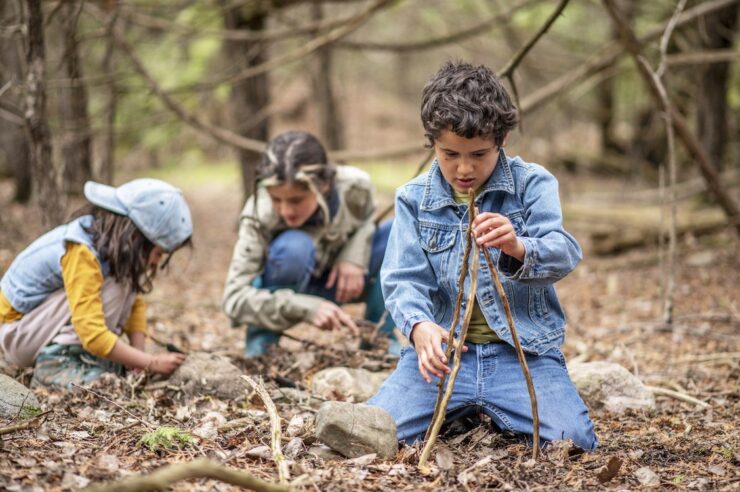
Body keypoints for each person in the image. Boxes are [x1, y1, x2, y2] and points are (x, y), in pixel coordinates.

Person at [367, 62, 597, 450]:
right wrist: (419, 326)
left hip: (522, 354)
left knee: (573, 441)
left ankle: (485, 407)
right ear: (431, 142)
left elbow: (564, 252)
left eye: (478, 154)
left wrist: (518, 247)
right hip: (444, 360)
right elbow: (402, 279)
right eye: (449, 153)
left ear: (502, 139)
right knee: (375, 433)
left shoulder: (532, 184)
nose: (464, 168)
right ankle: (463, 410)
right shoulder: (413, 198)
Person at [0, 178, 192, 387]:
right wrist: (151, 362)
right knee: (116, 285)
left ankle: (83, 357)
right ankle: (57, 364)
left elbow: (134, 303)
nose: (157, 261)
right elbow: (91, 331)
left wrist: (139, 359)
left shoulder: (107, 248)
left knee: (124, 280)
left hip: (36, 327)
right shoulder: (82, 251)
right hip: (16, 333)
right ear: (137, 239)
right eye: (158, 253)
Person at [222, 131, 397, 357]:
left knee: (396, 232)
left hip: (339, 280)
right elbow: (233, 299)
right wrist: (306, 307)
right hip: (288, 287)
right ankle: (262, 342)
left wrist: (353, 256)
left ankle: (379, 339)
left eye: (296, 200)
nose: (286, 211)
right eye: (276, 199)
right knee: (294, 247)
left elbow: (366, 222)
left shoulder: (355, 186)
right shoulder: (259, 213)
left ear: (324, 184)